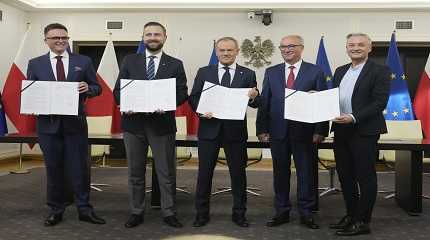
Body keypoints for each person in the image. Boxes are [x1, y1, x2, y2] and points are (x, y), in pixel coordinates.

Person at [26, 23, 105, 226]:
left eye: (64, 37)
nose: (61, 40)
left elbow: (98, 88)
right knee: (54, 168)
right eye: (55, 38)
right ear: (46, 40)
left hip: (75, 124)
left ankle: (84, 209)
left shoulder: (84, 61)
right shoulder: (35, 64)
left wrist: (89, 87)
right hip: (47, 126)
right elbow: (31, 91)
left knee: (79, 168)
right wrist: (32, 102)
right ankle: (56, 209)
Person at [113, 21, 188, 228]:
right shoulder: (129, 60)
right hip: (133, 126)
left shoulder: (175, 64)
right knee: (135, 173)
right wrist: (124, 103)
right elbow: (118, 91)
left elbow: (182, 93)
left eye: (157, 34)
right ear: (143, 37)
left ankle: (169, 212)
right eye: (148, 34)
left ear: (165, 37)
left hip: (162, 125)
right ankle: (136, 211)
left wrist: (167, 104)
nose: (152, 38)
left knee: (166, 173)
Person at [256, 35, 328, 229]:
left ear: (301, 48)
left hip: (306, 133)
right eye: (283, 47)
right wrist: (261, 129)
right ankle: (282, 211)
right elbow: (265, 103)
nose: (286, 49)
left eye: (291, 46)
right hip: (277, 132)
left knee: (306, 173)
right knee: (280, 173)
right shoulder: (271, 72)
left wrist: (321, 130)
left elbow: (322, 103)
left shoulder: (315, 71)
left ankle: (307, 212)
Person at [189, 37, 259, 228]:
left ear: (237, 51)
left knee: (238, 175)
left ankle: (239, 214)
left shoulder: (248, 73)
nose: (226, 53)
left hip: (235, 132)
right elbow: (194, 98)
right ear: (216, 51)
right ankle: (201, 214)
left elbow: (256, 101)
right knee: (204, 174)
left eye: (229, 50)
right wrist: (202, 111)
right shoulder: (204, 72)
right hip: (209, 130)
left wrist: (254, 97)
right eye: (222, 50)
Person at [330, 33, 390, 236]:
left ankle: (363, 221)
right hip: (341, 130)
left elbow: (379, 102)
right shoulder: (340, 71)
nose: (355, 48)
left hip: (365, 131)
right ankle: (351, 215)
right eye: (351, 45)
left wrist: (354, 117)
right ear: (346, 48)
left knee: (365, 177)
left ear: (369, 48)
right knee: (345, 176)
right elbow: (334, 98)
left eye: (360, 45)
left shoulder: (380, 71)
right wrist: (318, 100)